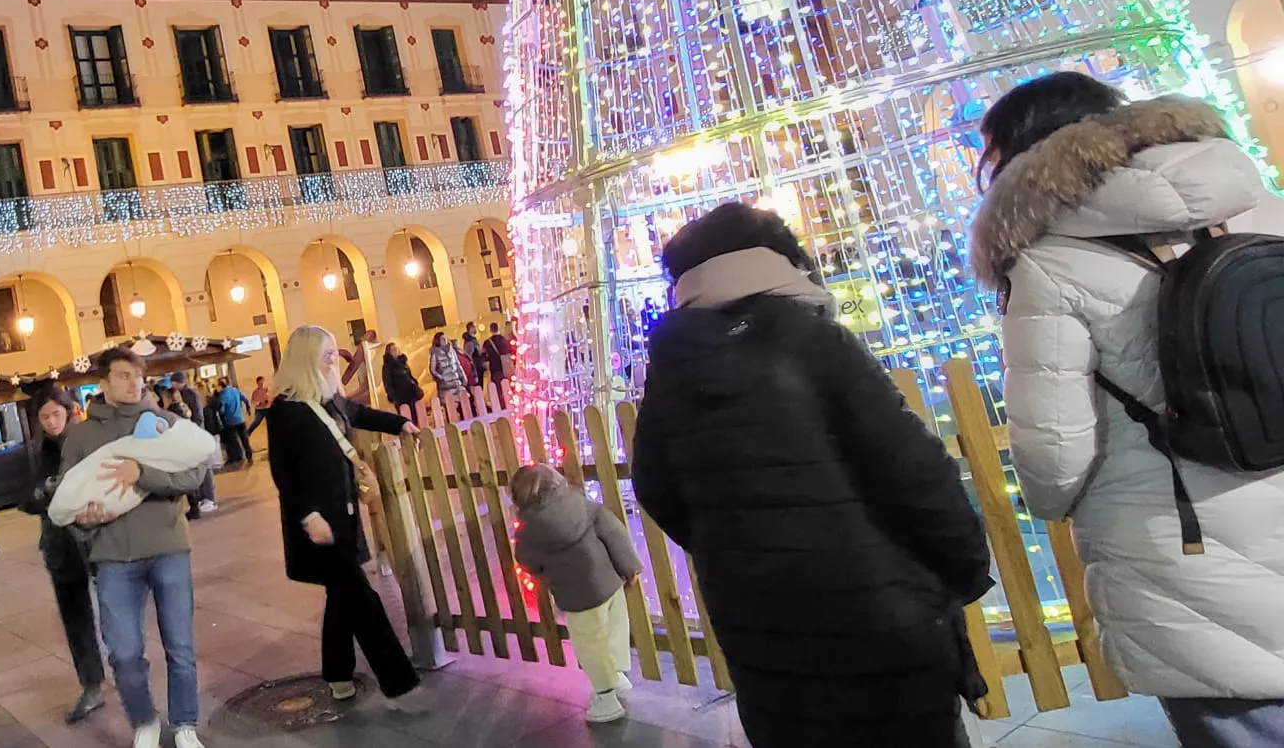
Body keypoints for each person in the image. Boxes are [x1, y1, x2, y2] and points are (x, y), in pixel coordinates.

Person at [971, 76, 1284, 745]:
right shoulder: (1261, 205)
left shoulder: (1050, 264)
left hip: (1183, 551)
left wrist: (1049, 498)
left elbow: (1055, 458)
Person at [629, 201, 993, 748]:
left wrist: (736, 548)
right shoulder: (814, 340)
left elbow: (655, 486)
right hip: (880, 632)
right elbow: (913, 471)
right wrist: (961, 570)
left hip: (765, 640)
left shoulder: (672, 366)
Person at [263, 325, 424, 707]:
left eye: (333, 351)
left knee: (341, 597)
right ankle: (400, 684)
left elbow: (361, 413)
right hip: (317, 525)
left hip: (344, 516)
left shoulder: (330, 398)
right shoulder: (286, 409)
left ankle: (337, 674)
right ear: (305, 359)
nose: (334, 360)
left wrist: (399, 423)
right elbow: (283, 472)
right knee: (362, 598)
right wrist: (307, 516)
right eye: (327, 353)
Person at [62, 348, 212, 748]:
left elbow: (195, 473)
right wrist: (85, 521)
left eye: (138, 375)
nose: (135, 383)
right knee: (124, 653)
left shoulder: (165, 422)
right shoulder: (81, 436)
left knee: (179, 644)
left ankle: (184, 724)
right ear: (104, 382)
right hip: (112, 555)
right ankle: (144, 719)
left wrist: (143, 474)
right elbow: (68, 498)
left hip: (167, 545)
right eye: (124, 376)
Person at [510, 464, 642, 724]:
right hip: (610, 582)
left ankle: (606, 697)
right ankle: (616, 676)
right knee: (614, 630)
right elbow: (615, 533)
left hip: (578, 597)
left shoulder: (528, 531)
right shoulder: (584, 505)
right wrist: (630, 568)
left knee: (589, 644)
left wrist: (540, 569)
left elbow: (525, 560)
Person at [22, 388, 108, 724]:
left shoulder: (86, 441)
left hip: (95, 540)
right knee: (75, 617)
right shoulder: (38, 449)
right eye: (44, 417)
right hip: (59, 544)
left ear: (69, 411)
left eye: (55, 414)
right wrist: (46, 492)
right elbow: (26, 497)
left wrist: (58, 492)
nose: (50, 422)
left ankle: (130, 677)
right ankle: (91, 685)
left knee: (115, 610)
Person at [167, 373, 218, 517]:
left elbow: (196, 415)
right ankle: (204, 498)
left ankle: (209, 498)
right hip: (194, 434)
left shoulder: (188, 394)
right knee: (199, 467)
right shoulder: (187, 394)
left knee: (203, 467)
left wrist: (194, 431)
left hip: (195, 435)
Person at [427, 333, 469, 419]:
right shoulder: (435, 353)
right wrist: (442, 378)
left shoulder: (451, 350)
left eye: (445, 338)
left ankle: (465, 423)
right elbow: (432, 369)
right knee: (450, 408)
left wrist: (463, 376)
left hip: (456, 382)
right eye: (442, 339)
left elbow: (458, 364)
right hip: (445, 386)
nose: (445, 340)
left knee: (464, 404)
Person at [381, 342, 424, 419]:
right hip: (400, 396)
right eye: (393, 350)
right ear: (389, 352)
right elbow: (387, 382)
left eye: (396, 349)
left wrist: (415, 382)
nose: (396, 351)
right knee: (406, 416)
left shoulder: (403, 362)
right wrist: (392, 396)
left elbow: (409, 375)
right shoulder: (388, 366)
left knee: (416, 415)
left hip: (411, 393)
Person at [216, 379, 253, 469]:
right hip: (240, 419)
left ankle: (238, 457)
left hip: (230, 422)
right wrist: (248, 409)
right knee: (244, 439)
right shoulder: (235, 390)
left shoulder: (222, 395)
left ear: (221, 386)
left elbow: (222, 410)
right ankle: (249, 456)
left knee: (234, 441)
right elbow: (246, 400)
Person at [483, 323, 512, 388]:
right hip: (506, 367)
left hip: (495, 368)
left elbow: (483, 356)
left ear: (490, 330)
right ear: (498, 329)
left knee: (497, 388)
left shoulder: (487, 342)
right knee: (507, 387)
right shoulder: (505, 340)